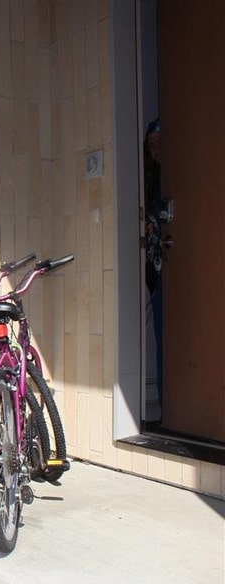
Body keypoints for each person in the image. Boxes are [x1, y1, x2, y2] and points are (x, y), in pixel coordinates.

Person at [143, 119, 162, 408]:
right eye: (152, 144)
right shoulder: (148, 177)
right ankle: (167, 405)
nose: (157, 148)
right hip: (156, 270)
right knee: (162, 338)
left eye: (161, 142)